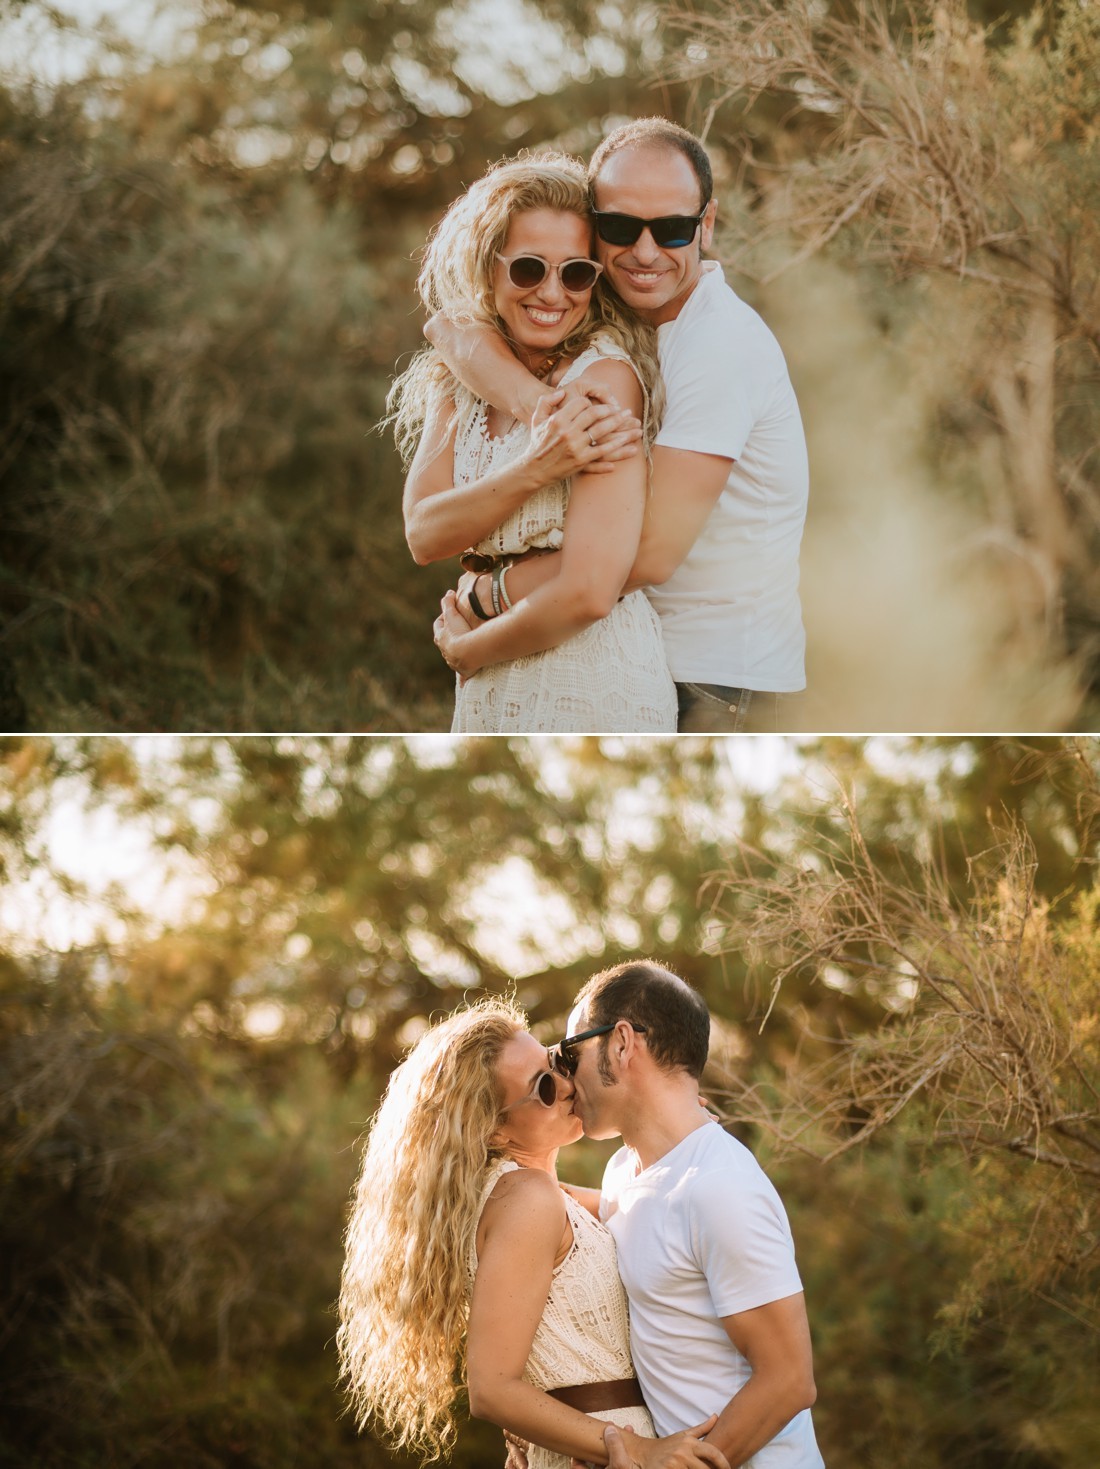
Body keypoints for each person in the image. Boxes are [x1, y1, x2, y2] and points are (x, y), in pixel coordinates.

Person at [428, 118, 809, 733]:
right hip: (659, 657)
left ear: (706, 225)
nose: (645, 251)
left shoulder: (719, 348)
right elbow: (450, 329)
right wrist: (534, 403)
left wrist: (486, 598)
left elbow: (646, 555)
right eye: (620, 227)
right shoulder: (632, 319)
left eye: (673, 229)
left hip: (717, 682)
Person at [337, 996, 730, 1469]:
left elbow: (638, 1204)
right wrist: (639, 1450)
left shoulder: (535, 1196)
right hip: (613, 1450)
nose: (567, 1085)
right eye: (543, 1087)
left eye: (558, 1063)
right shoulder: (526, 1200)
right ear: (495, 1131)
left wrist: (675, 1118)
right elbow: (492, 1389)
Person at [390, 152, 677, 732]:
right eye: (528, 269)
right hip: (492, 672)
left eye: (575, 273)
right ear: (488, 266)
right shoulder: (460, 380)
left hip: (591, 672)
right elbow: (423, 533)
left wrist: (471, 651)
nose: (552, 294)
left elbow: (591, 593)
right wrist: (534, 468)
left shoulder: (604, 383)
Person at [548, 962, 824, 1469]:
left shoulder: (721, 1187)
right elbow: (611, 1212)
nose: (564, 1075)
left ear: (622, 1043)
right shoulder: (624, 1172)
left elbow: (788, 1379)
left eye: (570, 1053)